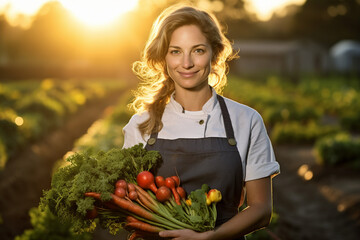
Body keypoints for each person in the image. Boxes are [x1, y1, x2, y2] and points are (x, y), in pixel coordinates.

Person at [122, 4, 280, 240]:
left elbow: (262, 210)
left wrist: (211, 237)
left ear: (214, 53)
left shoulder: (246, 120)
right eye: (175, 51)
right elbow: (128, 204)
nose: (186, 63)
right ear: (163, 57)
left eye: (197, 51)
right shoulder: (140, 125)